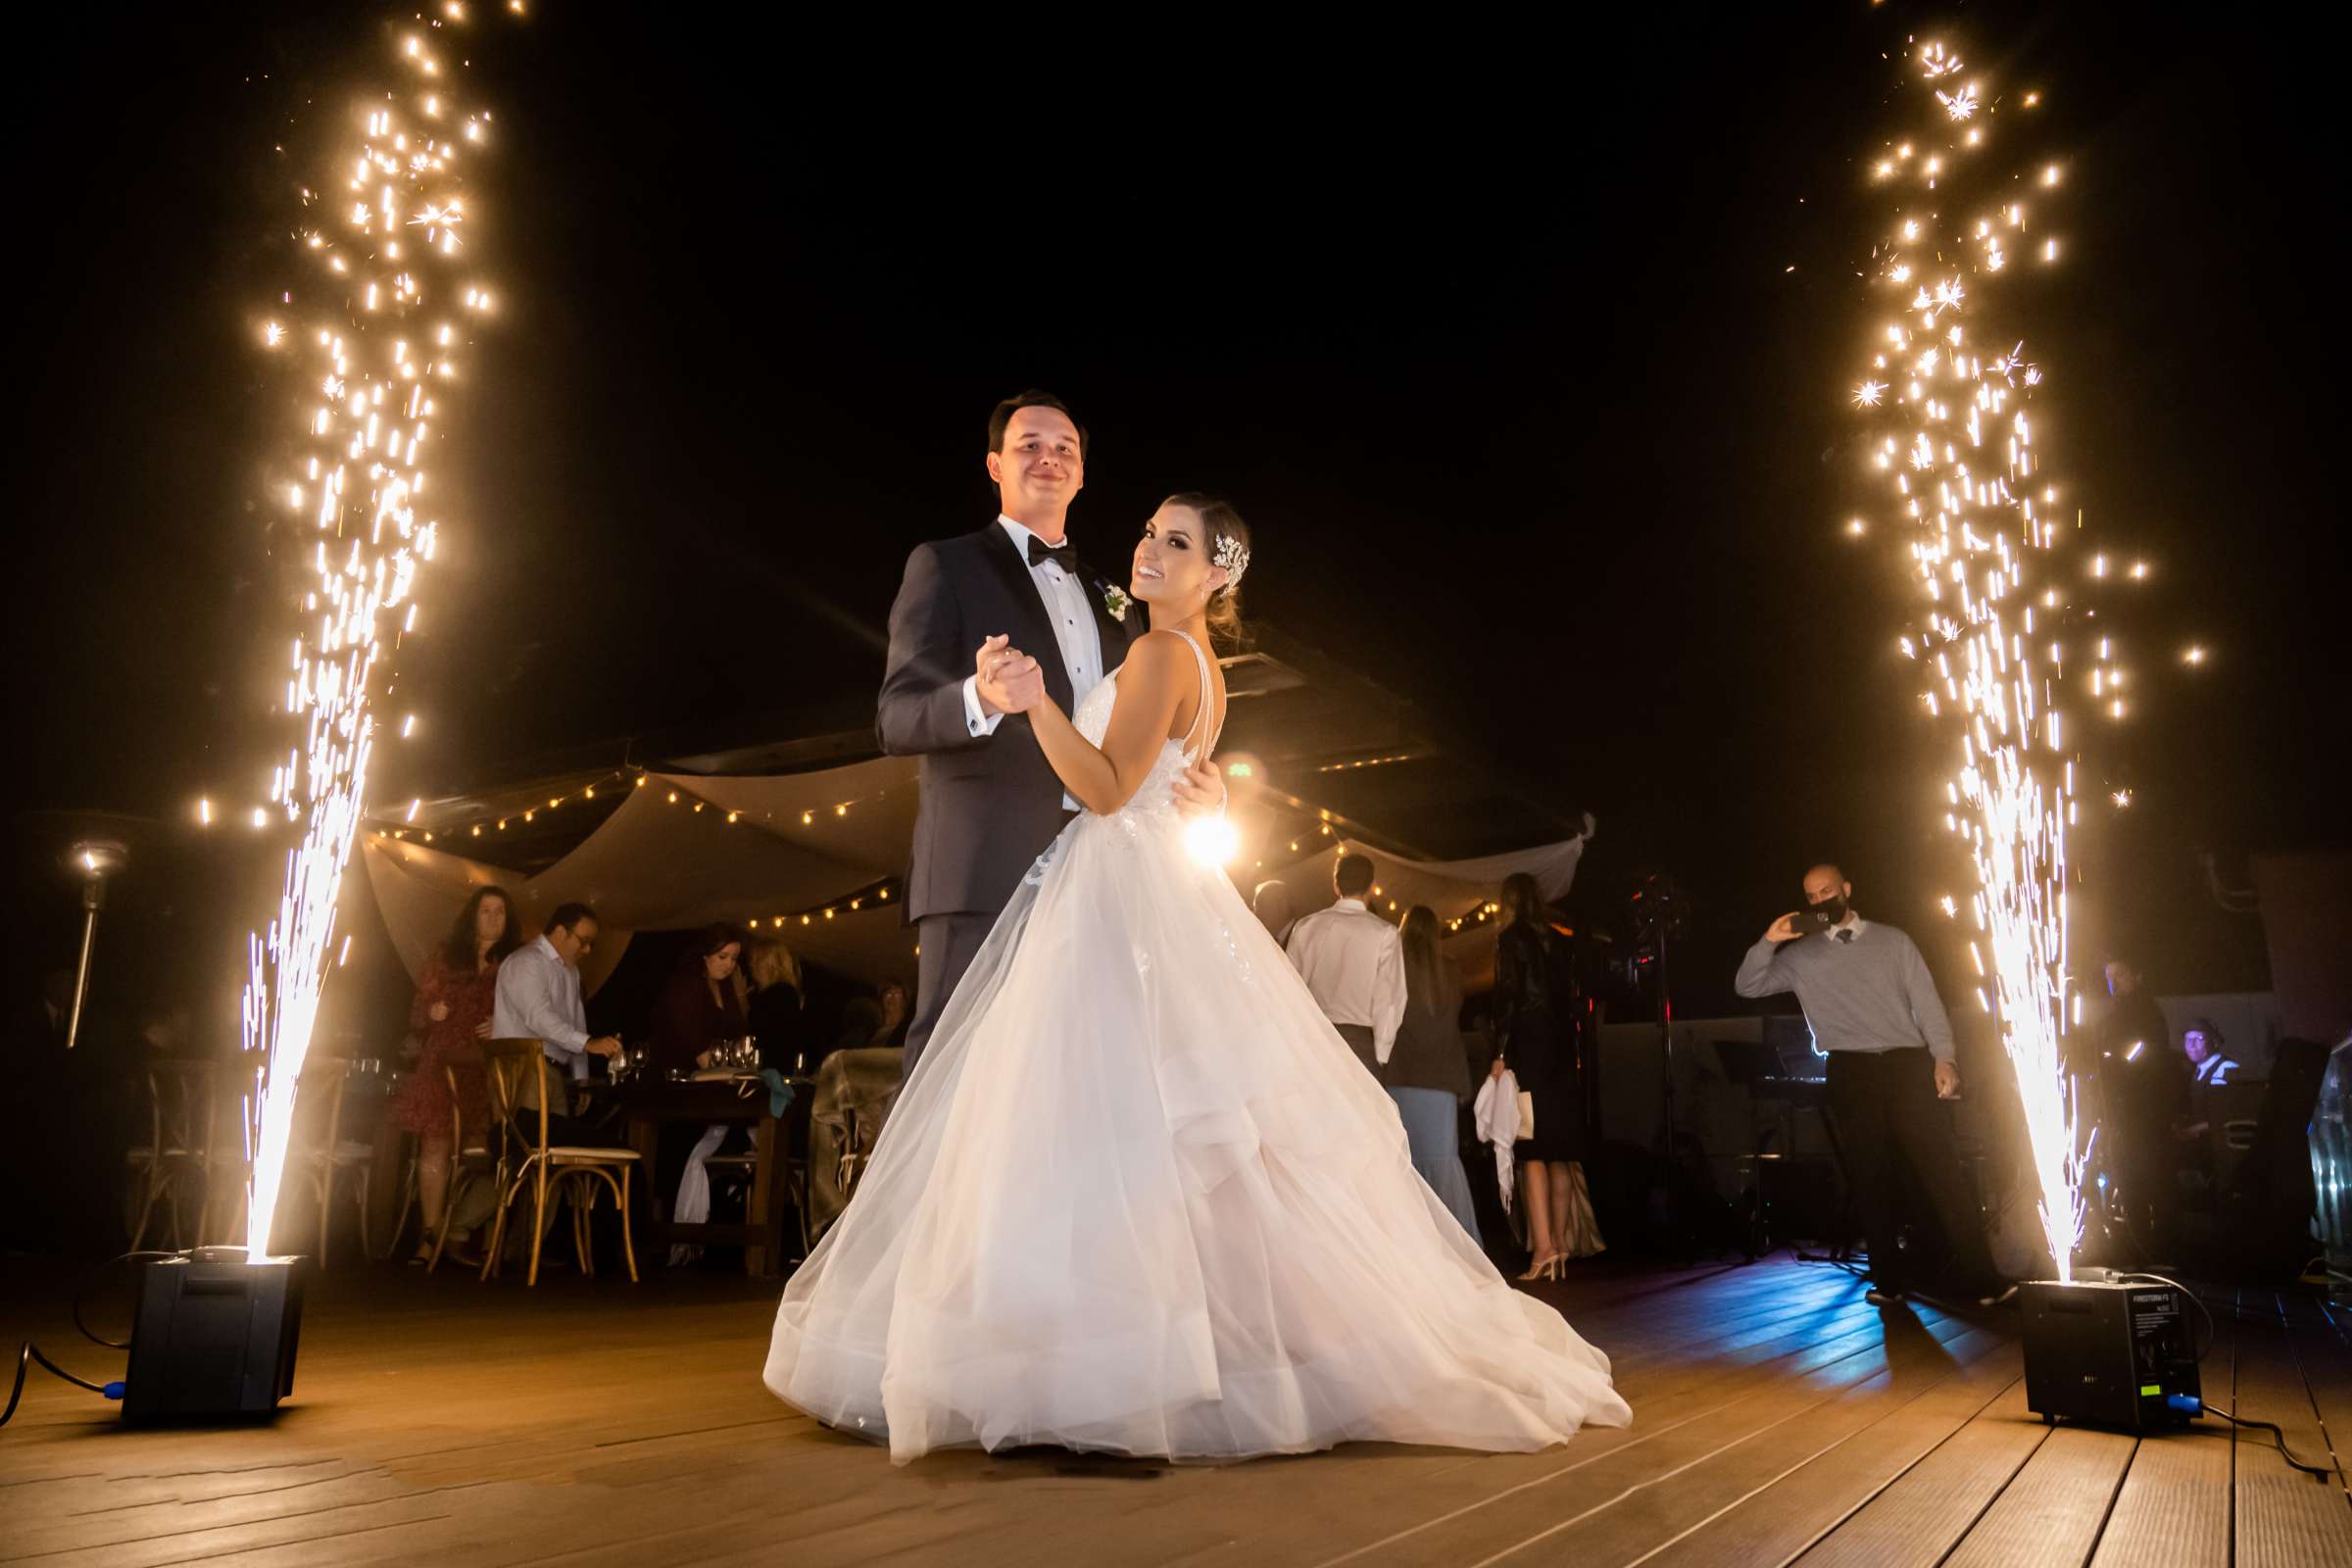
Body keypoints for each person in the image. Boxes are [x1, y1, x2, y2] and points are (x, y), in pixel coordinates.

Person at [767, 497, 1628, 1463]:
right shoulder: (1199, 669)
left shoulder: (1161, 655)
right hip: (1146, 886)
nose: (1148, 549)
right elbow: (1158, 780)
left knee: (1092, 1126)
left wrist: (1037, 698)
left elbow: (1101, 789)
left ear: (1218, 577)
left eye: (1177, 543)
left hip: (1115, 894)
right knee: (1145, 1136)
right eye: (1146, 532)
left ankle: (1101, 1377)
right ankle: (1124, 1367)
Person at [876, 391, 1224, 1075]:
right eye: (1028, 444)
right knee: (951, 1086)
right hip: (983, 876)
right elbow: (894, 716)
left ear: (1083, 474)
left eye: (1064, 448)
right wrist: (980, 695)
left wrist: (1202, 786)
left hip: (1098, 885)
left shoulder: (1117, 597)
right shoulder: (945, 565)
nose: (1048, 457)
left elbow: (1146, 724)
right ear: (994, 466)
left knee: (1071, 1091)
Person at [1735, 863, 2011, 1307]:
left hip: (1905, 1064)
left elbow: (1927, 1001)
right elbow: (1747, 986)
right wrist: (1770, 940)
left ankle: (1985, 1279)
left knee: (1943, 1171)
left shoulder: (1894, 941)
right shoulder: (1801, 956)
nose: (1821, 900)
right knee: (1869, 1178)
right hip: (1850, 1070)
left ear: (1847, 888)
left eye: (1828, 890)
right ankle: (1889, 1280)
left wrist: (1945, 1057)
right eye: (1812, 896)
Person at [392, 885, 520, 1263]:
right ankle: (430, 1235)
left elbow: (529, 1012)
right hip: (443, 1060)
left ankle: (474, 1232)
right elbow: (417, 1011)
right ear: (472, 915)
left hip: (489, 1064)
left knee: (489, 1148)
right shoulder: (447, 956)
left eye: (500, 911)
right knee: (436, 1143)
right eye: (486, 910)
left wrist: (505, 1022)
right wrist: (431, 1012)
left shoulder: (516, 961)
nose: (493, 918)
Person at [1487, 872, 1601, 1279]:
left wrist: (1499, 1053)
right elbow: (1576, 1001)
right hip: (1562, 1054)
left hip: (1530, 1053)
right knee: (1560, 1152)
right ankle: (1561, 1247)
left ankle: (1544, 1251)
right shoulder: (1562, 943)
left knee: (1532, 1152)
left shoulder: (1511, 939)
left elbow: (1508, 998)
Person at [490, 902, 624, 1129]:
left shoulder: (570, 970)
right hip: (523, 1069)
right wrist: (588, 1044)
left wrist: (582, 1080)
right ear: (561, 932)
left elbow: (576, 1022)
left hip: (553, 1072)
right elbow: (538, 1017)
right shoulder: (527, 961)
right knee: (527, 1148)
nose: (588, 950)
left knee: (554, 1147)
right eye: (584, 941)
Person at [1388, 906, 1479, 1235]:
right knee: (1443, 1162)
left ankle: (1414, 1240)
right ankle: (1457, 1241)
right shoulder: (1450, 971)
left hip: (1400, 1075)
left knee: (1406, 1164)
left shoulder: (1393, 968)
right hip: (1441, 1080)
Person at [2090, 957, 2189, 1251]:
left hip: (2146, 1116)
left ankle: (2162, 1247)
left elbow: (2142, 1055)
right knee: (2130, 1180)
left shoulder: (2146, 1013)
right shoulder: (2113, 1017)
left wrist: (2112, 1063)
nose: (2113, 982)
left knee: (2154, 1180)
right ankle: (2140, 1246)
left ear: (2137, 976)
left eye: (2119, 974)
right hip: (2122, 1116)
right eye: (2109, 976)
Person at [1284, 854, 1406, 1076]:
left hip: (1312, 1038)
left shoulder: (1306, 926)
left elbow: (1288, 989)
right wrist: (1381, 1053)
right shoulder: (1385, 934)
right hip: (1358, 1044)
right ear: (1371, 885)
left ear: (1335, 884)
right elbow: (1388, 998)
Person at [651, 923, 750, 1073]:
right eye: (722, 957)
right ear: (705, 955)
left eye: (734, 958)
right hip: (678, 1080)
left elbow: (739, 1038)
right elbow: (696, 1045)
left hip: (711, 1077)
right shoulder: (686, 985)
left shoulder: (725, 986)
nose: (729, 964)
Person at [746, 937, 814, 1074]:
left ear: (772, 964)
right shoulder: (787, 993)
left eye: (758, 959)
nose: (753, 964)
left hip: (771, 1072)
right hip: (778, 1070)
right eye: (752, 960)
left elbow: (764, 1036)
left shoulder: (778, 994)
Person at [2182, 1017, 2240, 1087]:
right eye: (2188, 1040)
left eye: (2199, 1039)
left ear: (2214, 1042)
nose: (2191, 1045)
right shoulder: (2195, 1071)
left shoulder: (2227, 1068)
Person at [1250, 879, 1298, 947]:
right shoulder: (1264, 942)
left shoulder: (1304, 937)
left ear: (1283, 905)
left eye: (1261, 904)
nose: (1254, 913)